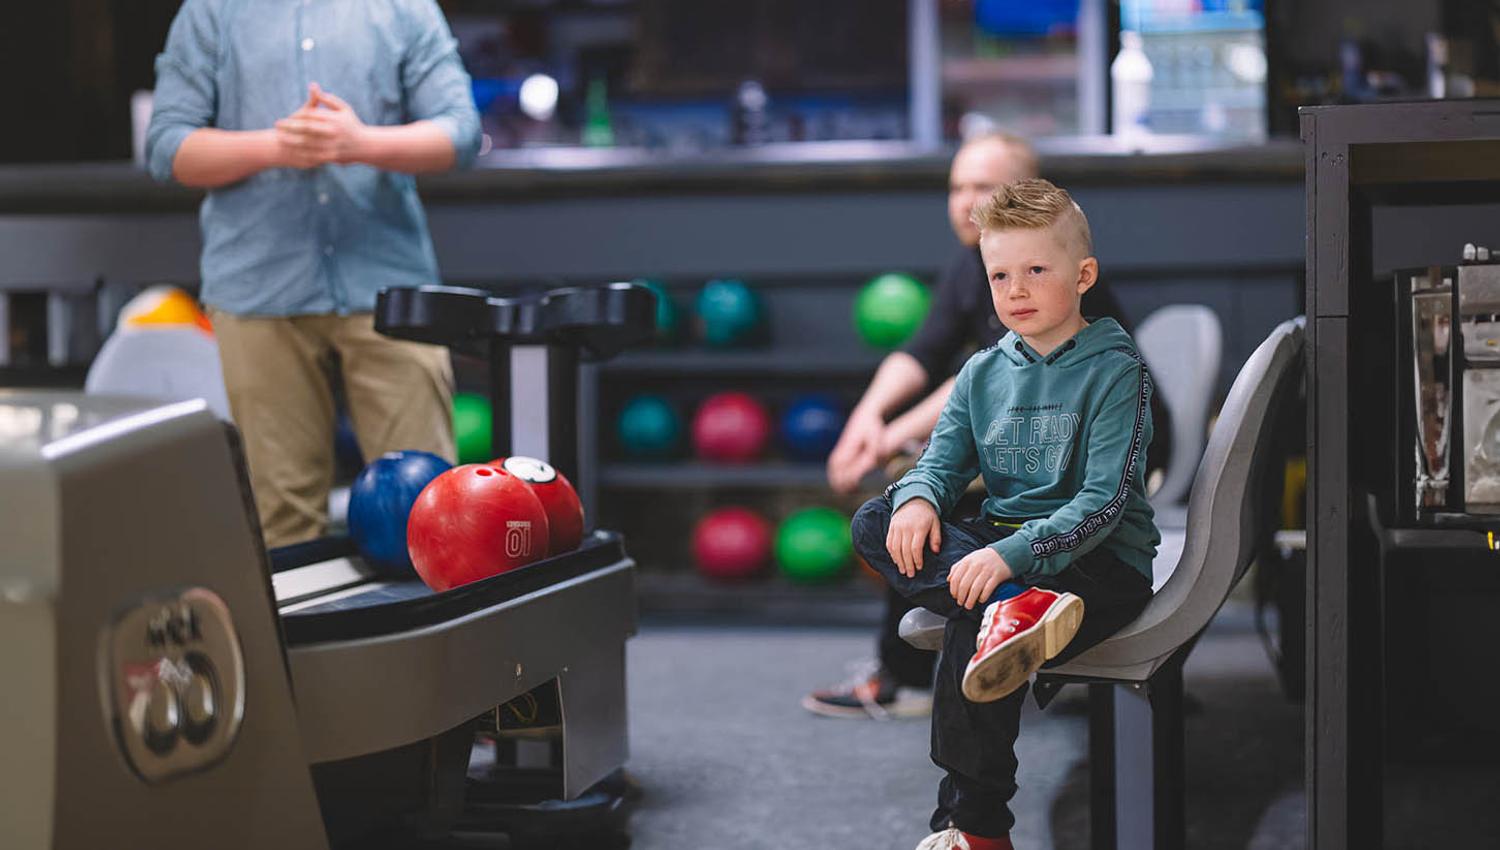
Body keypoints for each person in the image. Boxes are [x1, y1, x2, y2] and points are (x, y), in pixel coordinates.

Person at [851, 179, 1159, 850]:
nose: (1015, 290)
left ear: (1083, 276)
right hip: (1014, 561)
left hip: (1100, 564)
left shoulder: (1117, 370)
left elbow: (1104, 503)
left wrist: (1009, 559)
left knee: (976, 607)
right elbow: (938, 460)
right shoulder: (982, 372)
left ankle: (974, 830)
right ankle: (1014, 609)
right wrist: (920, 498)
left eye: (1036, 271)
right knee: (876, 521)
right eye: (1000, 275)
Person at [804, 133, 1154, 719]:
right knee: (903, 505)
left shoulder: (1047, 281)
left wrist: (891, 441)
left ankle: (909, 672)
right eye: (957, 186)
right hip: (1032, 460)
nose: (966, 201)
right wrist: (865, 419)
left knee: (928, 500)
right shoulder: (979, 265)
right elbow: (925, 350)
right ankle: (1010, 609)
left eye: (984, 187)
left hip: (1099, 459)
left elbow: (975, 381)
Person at [145, 0, 480, 547]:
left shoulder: (402, 8)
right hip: (258, 292)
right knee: (284, 528)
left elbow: (461, 132)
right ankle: (306, 638)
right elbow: (166, 146)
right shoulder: (211, 12)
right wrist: (278, 146)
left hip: (388, 289)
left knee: (430, 515)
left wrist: (360, 143)